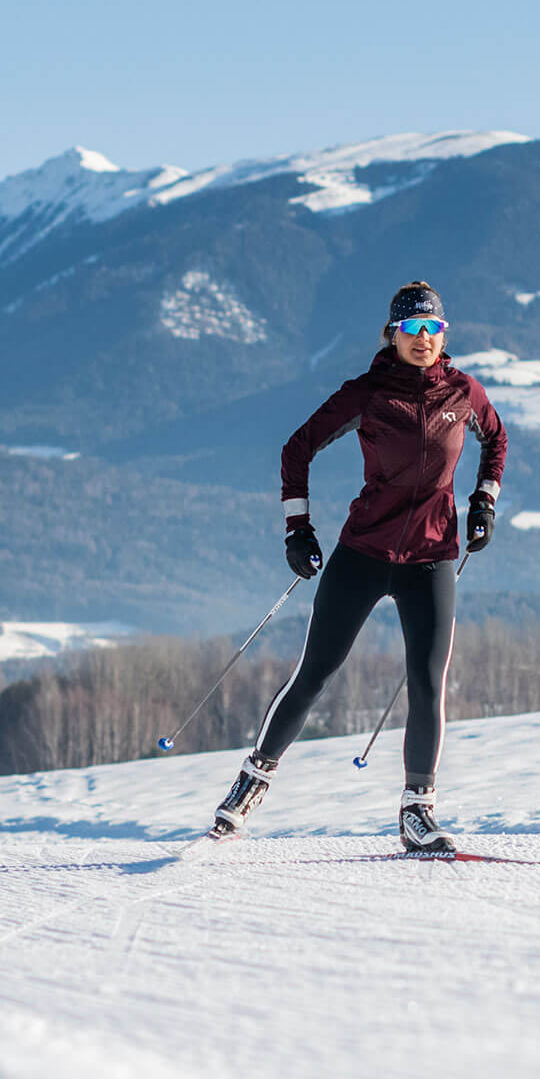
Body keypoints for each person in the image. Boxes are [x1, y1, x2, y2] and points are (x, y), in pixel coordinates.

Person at [209, 281, 507, 853]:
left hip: (431, 558)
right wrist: (298, 527)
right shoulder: (367, 394)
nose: (423, 339)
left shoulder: (464, 391)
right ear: (392, 335)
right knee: (315, 672)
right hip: (364, 554)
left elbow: (496, 441)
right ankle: (252, 782)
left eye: (434, 329)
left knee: (427, 684)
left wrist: (484, 501)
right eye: (412, 329)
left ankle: (417, 811)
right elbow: (296, 449)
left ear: (444, 336)